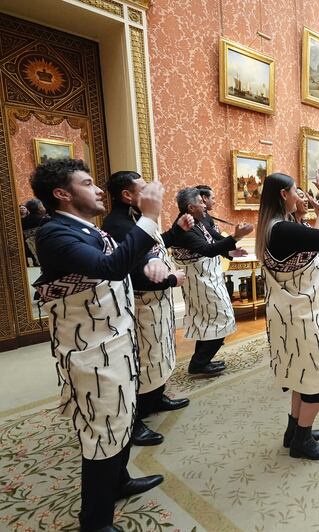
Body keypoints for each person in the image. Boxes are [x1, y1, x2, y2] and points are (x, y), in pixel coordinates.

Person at [30, 159, 165, 531]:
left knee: (121, 418)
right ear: (62, 194)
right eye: (88, 183)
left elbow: (124, 257)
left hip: (115, 344)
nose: (98, 189)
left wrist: (153, 261)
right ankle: (95, 521)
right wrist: (149, 218)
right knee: (102, 431)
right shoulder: (55, 234)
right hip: (90, 354)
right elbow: (108, 268)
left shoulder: (89, 229)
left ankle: (118, 482)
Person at [256, 168, 319, 460]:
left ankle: (294, 431)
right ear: (284, 195)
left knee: (301, 375)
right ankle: (302, 441)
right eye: (296, 191)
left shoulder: (274, 226)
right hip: (301, 318)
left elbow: (316, 244)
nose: (299, 195)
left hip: (290, 315)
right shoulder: (283, 229)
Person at [101, 171, 192, 447]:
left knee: (160, 351)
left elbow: (153, 245)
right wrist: (170, 278)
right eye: (143, 188)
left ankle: (155, 398)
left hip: (157, 302)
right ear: (127, 195)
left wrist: (177, 232)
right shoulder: (117, 224)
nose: (151, 192)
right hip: (143, 301)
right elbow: (133, 268)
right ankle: (136, 418)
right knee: (144, 359)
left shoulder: (135, 217)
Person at [169, 187, 252, 375]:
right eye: (201, 202)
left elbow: (213, 242)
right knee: (222, 317)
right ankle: (199, 362)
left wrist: (231, 251)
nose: (205, 206)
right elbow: (207, 249)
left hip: (206, 277)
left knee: (208, 320)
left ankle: (200, 362)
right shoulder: (185, 227)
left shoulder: (198, 221)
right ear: (191, 207)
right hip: (200, 280)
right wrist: (237, 236)